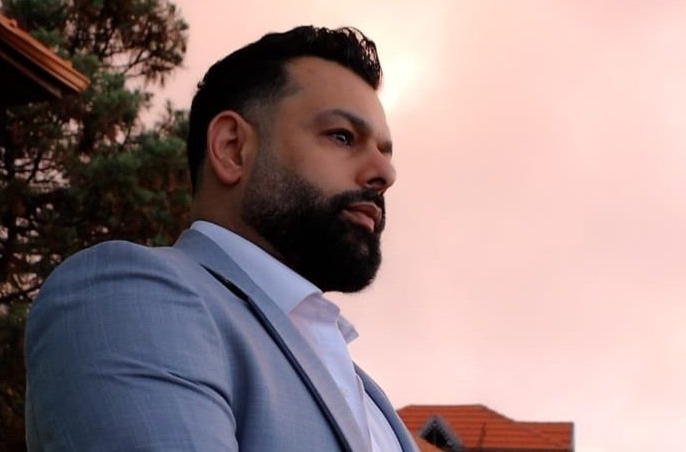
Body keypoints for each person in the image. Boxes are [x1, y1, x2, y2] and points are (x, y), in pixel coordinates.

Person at [25, 26, 417, 452]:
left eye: (385, 151)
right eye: (342, 136)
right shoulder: (130, 298)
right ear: (232, 148)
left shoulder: (367, 394)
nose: (385, 173)